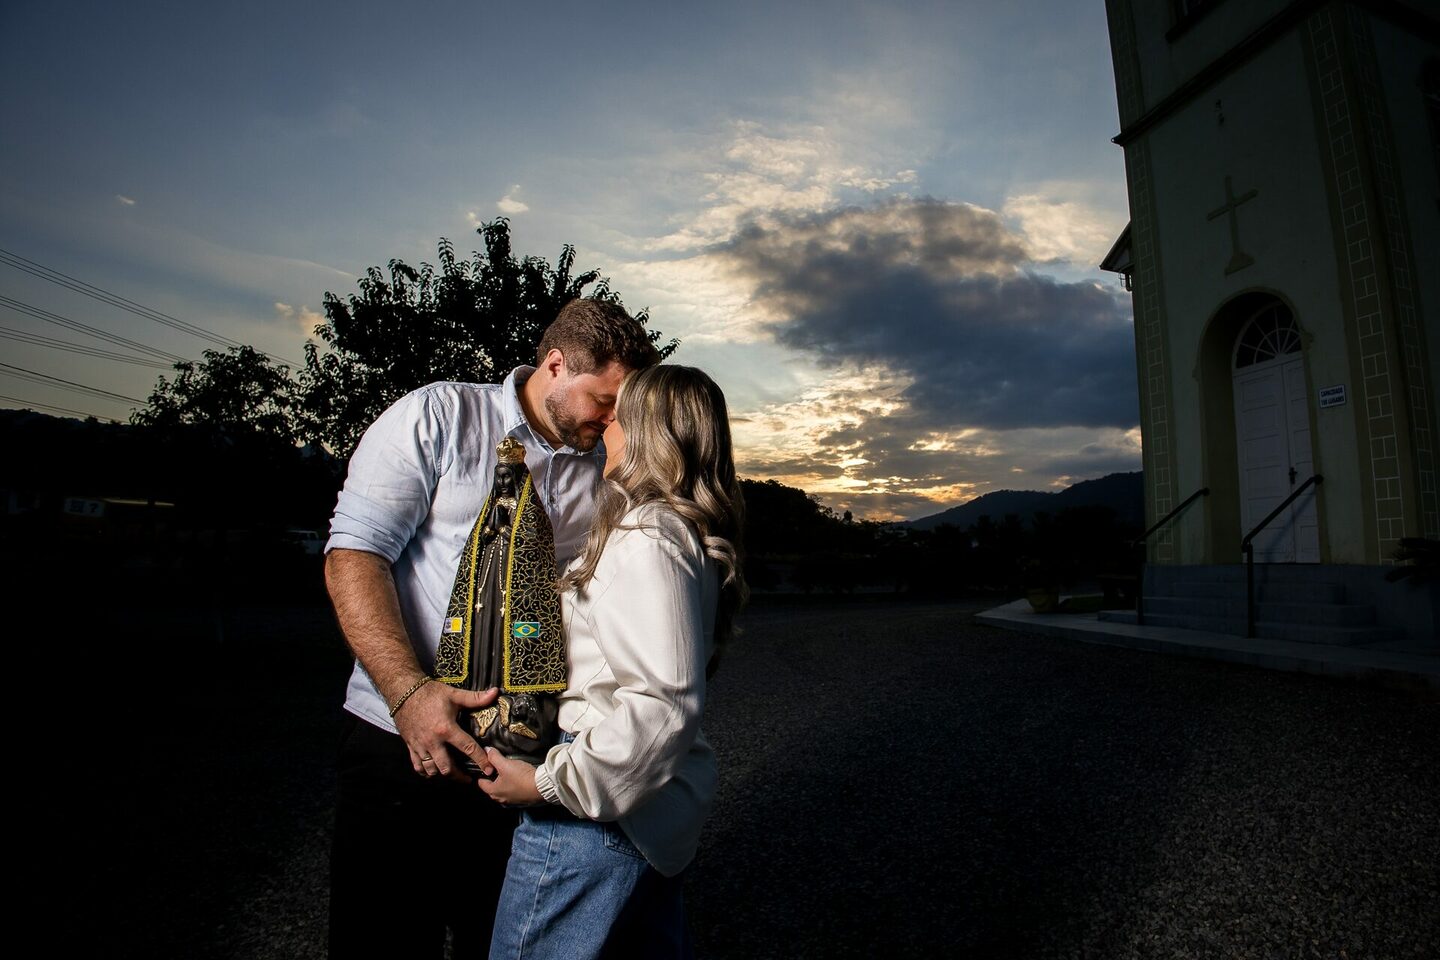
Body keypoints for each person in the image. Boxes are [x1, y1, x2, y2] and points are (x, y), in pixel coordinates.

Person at [323, 298, 660, 958]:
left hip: (517, 755)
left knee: (498, 938)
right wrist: (409, 694)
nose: (615, 420)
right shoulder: (439, 417)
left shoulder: (607, 469)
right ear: (555, 365)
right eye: (604, 400)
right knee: (382, 939)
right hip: (398, 737)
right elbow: (352, 556)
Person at [479, 364, 748, 959]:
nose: (605, 430)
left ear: (653, 434)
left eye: (619, 419)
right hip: (643, 809)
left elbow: (661, 705)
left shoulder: (648, 533)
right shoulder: (684, 533)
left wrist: (546, 783)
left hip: (596, 816)